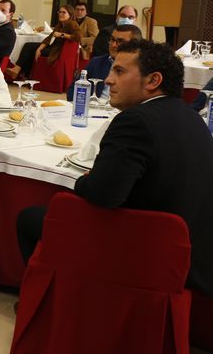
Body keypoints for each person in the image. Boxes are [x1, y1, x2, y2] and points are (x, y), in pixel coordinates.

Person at [17, 40, 213, 298]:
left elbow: (103, 196)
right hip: (193, 249)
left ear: (153, 80)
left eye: (120, 72)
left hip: (147, 251)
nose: (108, 80)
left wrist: (84, 181)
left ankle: (54, 302)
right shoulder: (191, 116)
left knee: (30, 218)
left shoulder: (135, 122)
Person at [66, 24, 142, 101]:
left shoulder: (141, 68)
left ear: (135, 45)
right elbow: (73, 91)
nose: (113, 45)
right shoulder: (96, 62)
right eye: (112, 40)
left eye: (120, 41)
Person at [7, 4, 80, 79]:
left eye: (64, 12)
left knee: (31, 50)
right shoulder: (60, 25)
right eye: (60, 12)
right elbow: (49, 38)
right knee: (28, 45)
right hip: (53, 47)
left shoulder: (72, 24)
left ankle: (24, 74)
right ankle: (18, 70)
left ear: (70, 14)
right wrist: (39, 49)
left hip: (58, 51)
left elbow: (78, 37)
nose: (60, 14)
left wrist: (62, 35)